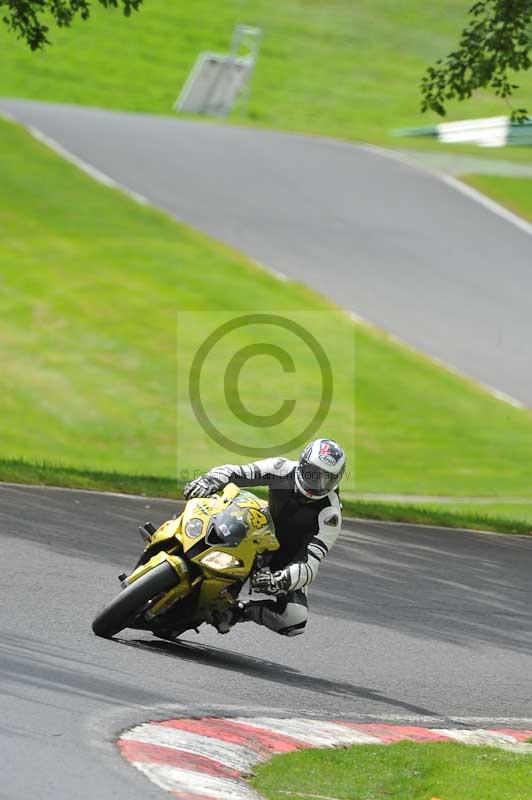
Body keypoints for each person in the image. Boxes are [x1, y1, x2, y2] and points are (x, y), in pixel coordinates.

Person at [183, 438, 345, 637]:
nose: (318, 483)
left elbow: (310, 564)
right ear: (302, 464)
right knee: (214, 512)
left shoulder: (330, 514)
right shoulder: (282, 468)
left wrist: (280, 580)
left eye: (326, 478)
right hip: (258, 526)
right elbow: (236, 472)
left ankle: (239, 612)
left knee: (294, 618)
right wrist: (210, 479)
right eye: (313, 474)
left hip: (286, 557)